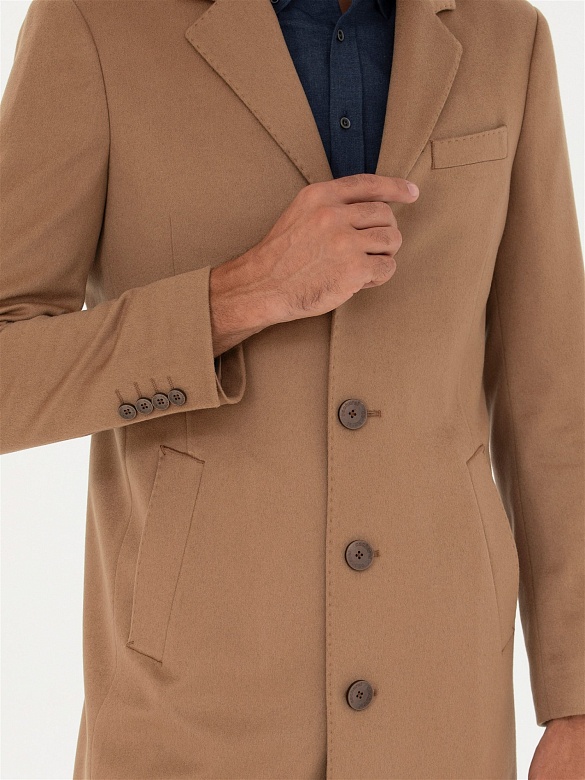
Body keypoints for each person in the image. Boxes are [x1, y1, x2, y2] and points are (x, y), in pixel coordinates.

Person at [1, 0, 583, 777]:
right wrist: (236, 296)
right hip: (188, 718)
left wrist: (575, 701)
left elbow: (553, 398)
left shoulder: (507, 37)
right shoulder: (95, 25)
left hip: (443, 713)